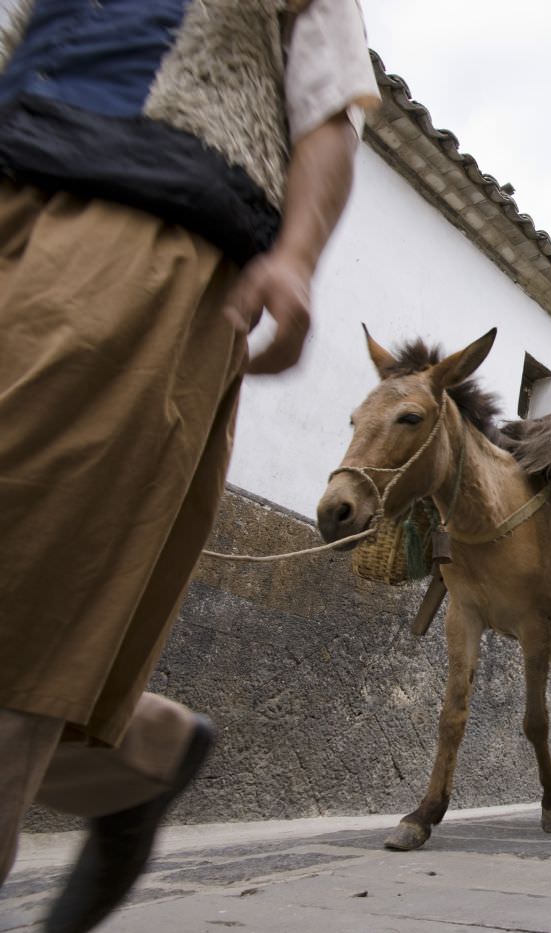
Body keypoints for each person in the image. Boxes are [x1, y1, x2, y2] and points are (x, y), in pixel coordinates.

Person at [0, 3, 379, 930]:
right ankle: (136, 753)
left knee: (18, 592)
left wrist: (294, 256)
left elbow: (330, 110)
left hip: (140, 234)